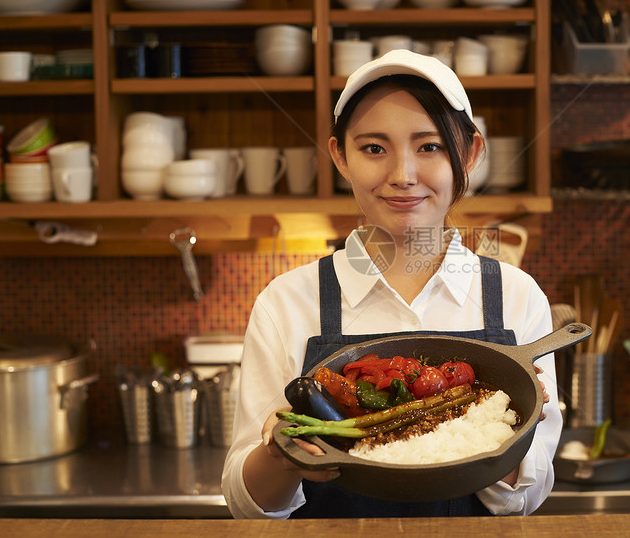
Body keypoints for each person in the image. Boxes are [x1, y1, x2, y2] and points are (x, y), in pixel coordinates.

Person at [221, 49, 561, 518]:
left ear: (471, 153)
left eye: (430, 146)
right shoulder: (286, 303)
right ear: (340, 155)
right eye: (374, 148)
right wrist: (281, 459)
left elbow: (527, 495)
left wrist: (508, 429)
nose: (402, 176)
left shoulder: (516, 297)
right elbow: (248, 507)